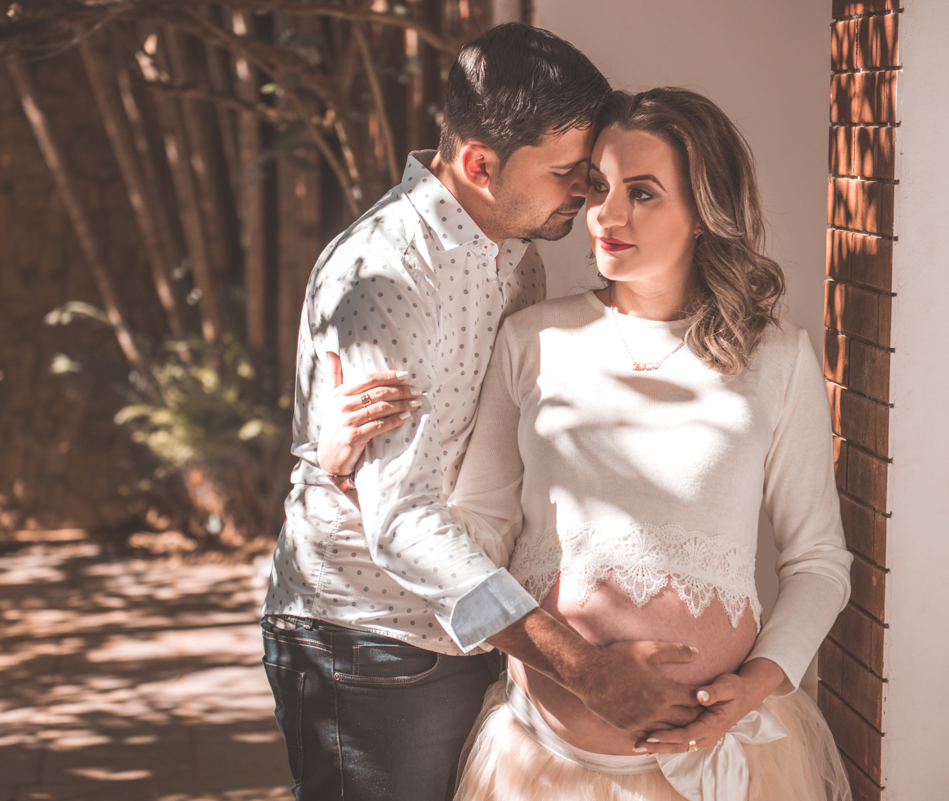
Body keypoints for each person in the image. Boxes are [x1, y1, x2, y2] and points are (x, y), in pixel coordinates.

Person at [332, 87, 854, 800]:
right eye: (599, 188)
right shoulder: (532, 337)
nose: (607, 216)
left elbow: (819, 561)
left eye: (643, 193)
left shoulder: (779, 357)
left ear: (706, 209)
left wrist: (759, 683)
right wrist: (363, 479)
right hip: (541, 767)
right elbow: (476, 532)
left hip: (728, 767)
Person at [262, 24, 709, 801]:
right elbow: (402, 519)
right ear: (478, 165)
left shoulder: (517, 260)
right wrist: (583, 668)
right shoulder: (385, 278)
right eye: (569, 173)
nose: (587, 193)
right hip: (371, 638)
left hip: (475, 633)